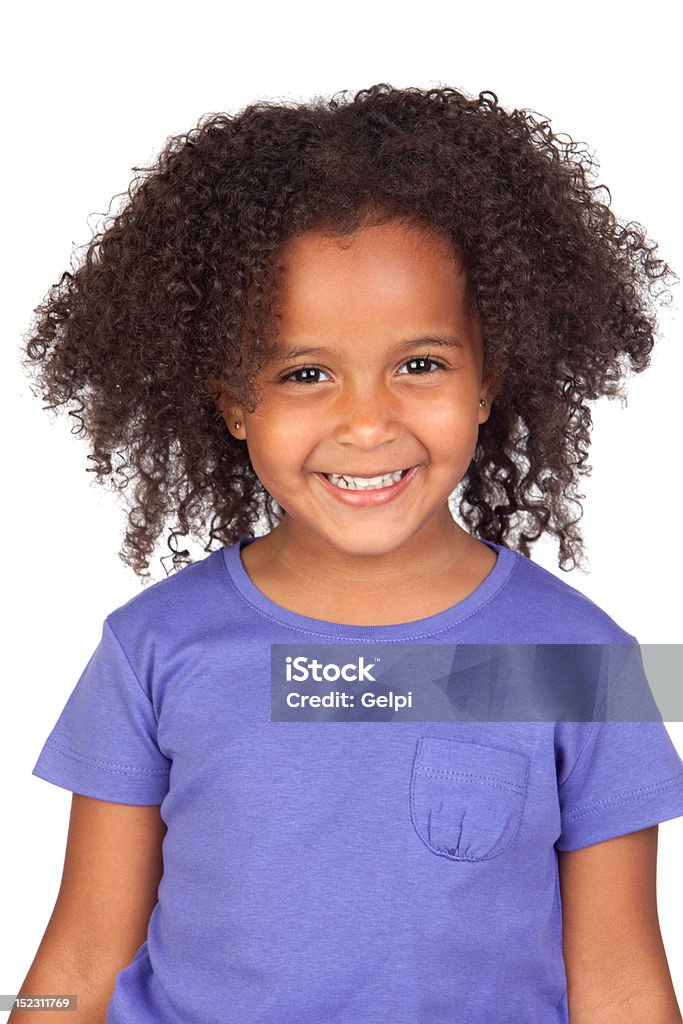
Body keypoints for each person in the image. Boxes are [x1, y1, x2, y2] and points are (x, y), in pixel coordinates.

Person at [12, 83, 683, 1024]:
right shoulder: (152, 649)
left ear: (488, 379)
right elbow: (76, 962)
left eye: (420, 364)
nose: (367, 422)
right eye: (304, 373)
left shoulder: (580, 663)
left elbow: (620, 988)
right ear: (233, 398)